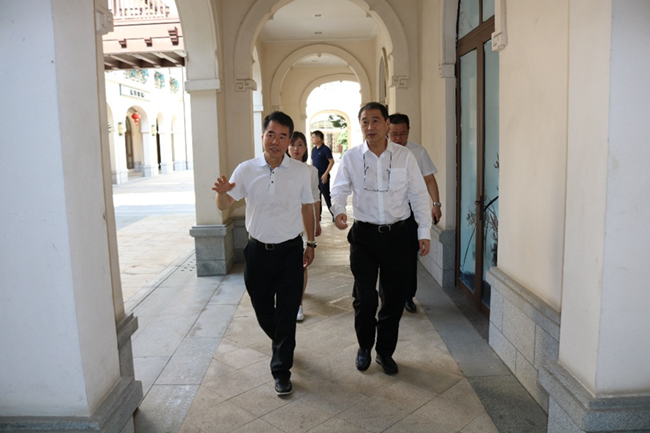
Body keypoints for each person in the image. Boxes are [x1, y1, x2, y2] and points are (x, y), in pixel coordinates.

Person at [212, 111, 316, 396]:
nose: (276, 141)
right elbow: (224, 204)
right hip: (257, 251)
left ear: (289, 140)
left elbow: (307, 208)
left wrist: (310, 243)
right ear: (262, 136)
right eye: (271, 135)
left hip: (290, 251)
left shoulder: (301, 172)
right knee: (262, 308)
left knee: (287, 311)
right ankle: (283, 341)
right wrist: (221, 192)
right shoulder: (246, 169)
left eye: (282, 136)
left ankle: (281, 371)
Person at [331, 102, 432, 376]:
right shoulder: (351, 157)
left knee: (394, 299)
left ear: (386, 124)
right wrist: (338, 211)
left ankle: (385, 352)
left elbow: (418, 195)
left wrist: (424, 232)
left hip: (397, 236)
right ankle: (364, 346)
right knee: (365, 299)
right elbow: (338, 189)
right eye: (364, 121)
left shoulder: (404, 157)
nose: (370, 126)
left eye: (375, 120)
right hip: (364, 237)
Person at [388, 113, 442, 314]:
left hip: (411, 212)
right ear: (387, 132)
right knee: (387, 256)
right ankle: (388, 295)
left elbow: (429, 179)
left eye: (402, 134)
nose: (398, 138)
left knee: (410, 256)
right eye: (394, 134)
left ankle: (408, 296)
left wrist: (436, 204)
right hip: (388, 212)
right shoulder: (380, 153)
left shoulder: (418, 152)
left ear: (408, 131)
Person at [287, 131, 322, 322]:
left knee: (301, 264)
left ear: (305, 148)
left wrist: (316, 222)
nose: (296, 148)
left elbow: (315, 198)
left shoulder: (311, 171)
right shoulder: (280, 169)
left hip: (303, 222)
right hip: (285, 223)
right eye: (292, 144)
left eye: (300, 144)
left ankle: (298, 303)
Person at [310, 130, 335, 220]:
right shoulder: (313, 150)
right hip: (315, 176)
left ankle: (334, 214)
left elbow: (331, 162)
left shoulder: (325, 149)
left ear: (319, 138)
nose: (312, 139)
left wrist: (325, 174)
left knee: (326, 196)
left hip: (323, 176)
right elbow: (312, 162)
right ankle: (318, 216)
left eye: (313, 137)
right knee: (317, 197)